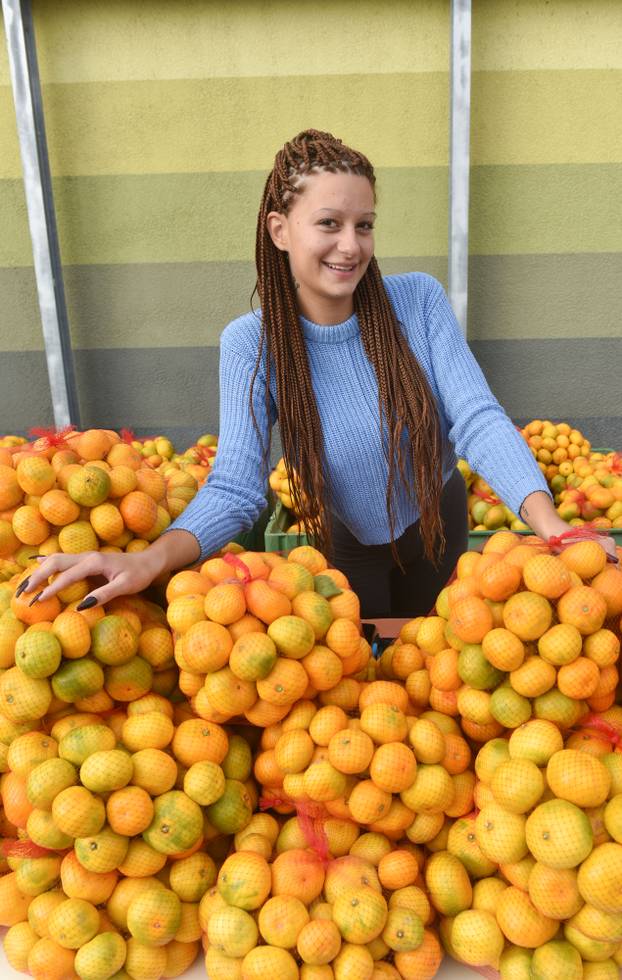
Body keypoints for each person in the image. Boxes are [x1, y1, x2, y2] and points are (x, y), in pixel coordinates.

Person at [20, 129, 616, 619]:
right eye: (328, 223)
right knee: (371, 669)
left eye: (364, 225)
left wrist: (551, 526)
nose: (351, 245)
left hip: (438, 519)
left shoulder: (419, 304)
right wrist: (150, 558)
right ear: (281, 230)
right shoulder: (252, 345)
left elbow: (478, 420)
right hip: (346, 539)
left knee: (442, 662)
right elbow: (236, 485)